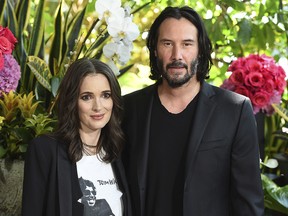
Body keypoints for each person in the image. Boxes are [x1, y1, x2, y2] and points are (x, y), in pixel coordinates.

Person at [122, 6, 264, 216]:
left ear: (201, 49)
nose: (176, 55)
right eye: (167, 43)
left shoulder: (235, 110)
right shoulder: (128, 109)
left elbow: (248, 202)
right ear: (154, 48)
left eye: (187, 44)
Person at [22, 58, 132, 216]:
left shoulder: (119, 151)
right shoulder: (44, 150)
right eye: (87, 97)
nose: (98, 106)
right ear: (72, 101)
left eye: (106, 95)